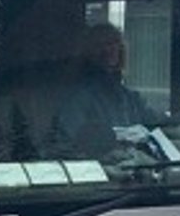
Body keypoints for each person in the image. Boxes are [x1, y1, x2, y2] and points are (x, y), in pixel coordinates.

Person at [52, 21, 161, 156]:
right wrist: (107, 157)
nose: (111, 50)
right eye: (103, 45)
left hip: (138, 168)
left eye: (115, 43)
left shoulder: (130, 98)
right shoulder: (77, 98)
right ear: (89, 53)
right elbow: (68, 146)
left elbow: (159, 126)